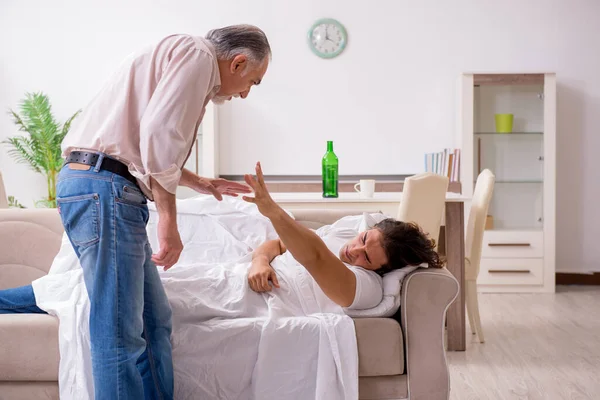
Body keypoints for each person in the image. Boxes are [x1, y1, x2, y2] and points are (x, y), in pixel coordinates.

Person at [8, 25, 270, 400]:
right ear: (238, 62)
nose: (245, 93)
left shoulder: (182, 55)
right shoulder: (198, 56)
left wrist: (199, 183)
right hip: (105, 188)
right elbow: (160, 132)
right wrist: (168, 219)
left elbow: (143, 143)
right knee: (120, 331)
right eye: (252, 82)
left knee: (154, 321)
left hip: (103, 185)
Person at [243, 162, 444, 308]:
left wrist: (274, 212)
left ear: (380, 271)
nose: (354, 250)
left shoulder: (367, 286)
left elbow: (315, 257)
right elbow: (278, 245)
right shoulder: (342, 235)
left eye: (366, 257)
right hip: (251, 273)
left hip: (262, 298)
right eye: (364, 240)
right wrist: (260, 262)